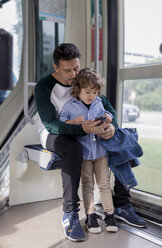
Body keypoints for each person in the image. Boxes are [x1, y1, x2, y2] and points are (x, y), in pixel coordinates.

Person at [35, 43, 146, 242]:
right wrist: (82, 129)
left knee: (123, 136)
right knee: (73, 149)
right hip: (56, 132)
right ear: (56, 68)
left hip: (88, 129)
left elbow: (109, 109)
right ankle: (70, 213)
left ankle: (121, 204)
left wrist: (112, 127)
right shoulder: (44, 86)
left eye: (76, 68)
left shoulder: (83, 80)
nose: (73, 74)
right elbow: (51, 124)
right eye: (67, 70)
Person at [59, 68, 118, 234]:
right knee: (87, 185)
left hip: (100, 152)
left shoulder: (99, 102)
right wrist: (72, 122)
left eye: (94, 91)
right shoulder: (70, 106)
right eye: (87, 91)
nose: (91, 95)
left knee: (105, 184)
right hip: (84, 154)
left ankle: (109, 215)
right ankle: (91, 216)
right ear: (78, 90)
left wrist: (108, 117)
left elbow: (105, 114)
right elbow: (61, 125)